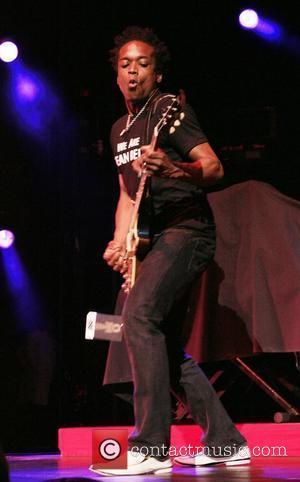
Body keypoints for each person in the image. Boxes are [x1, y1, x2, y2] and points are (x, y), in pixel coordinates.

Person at [90, 25, 250, 476]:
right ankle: (225, 441)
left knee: (139, 320)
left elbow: (213, 167)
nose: (134, 72)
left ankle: (150, 449)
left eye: (143, 64)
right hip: (152, 241)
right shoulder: (120, 127)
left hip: (188, 231)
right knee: (161, 345)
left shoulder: (168, 110)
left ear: (157, 74)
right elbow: (127, 195)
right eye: (126, 65)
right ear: (117, 76)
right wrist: (120, 242)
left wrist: (176, 170)